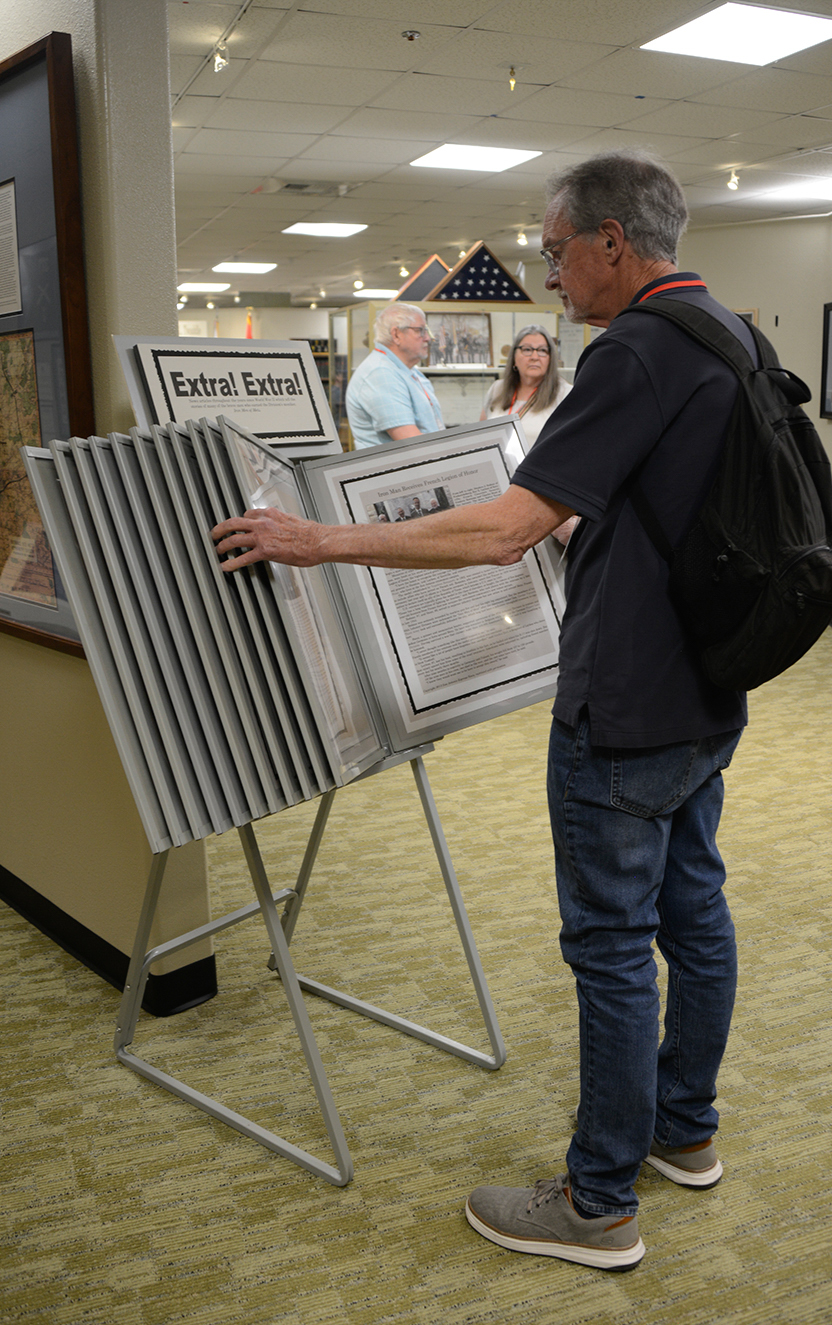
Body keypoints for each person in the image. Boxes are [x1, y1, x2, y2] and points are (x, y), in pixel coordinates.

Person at [212, 149, 750, 1272]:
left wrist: (319, 539)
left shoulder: (634, 352)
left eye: (556, 251)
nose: (549, 276)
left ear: (612, 241)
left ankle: (597, 1200)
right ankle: (683, 1128)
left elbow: (501, 527)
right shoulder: (732, 337)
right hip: (708, 688)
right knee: (693, 912)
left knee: (610, 948)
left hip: (626, 706)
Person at [345, 303, 444, 449]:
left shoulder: (408, 371)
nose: (428, 338)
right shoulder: (380, 373)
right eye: (420, 330)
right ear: (396, 334)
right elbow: (411, 442)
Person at [481, 324, 572, 447]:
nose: (534, 357)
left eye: (542, 350)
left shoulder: (564, 394)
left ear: (550, 359)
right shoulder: (497, 389)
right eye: (527, 350)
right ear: (514, 357)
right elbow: (480, 438)